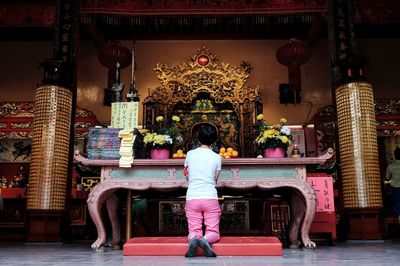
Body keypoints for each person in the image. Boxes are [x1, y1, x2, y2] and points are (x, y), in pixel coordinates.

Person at [183, 124, 221, 257]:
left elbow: (187, 175)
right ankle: (205, 240)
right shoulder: (217, 157)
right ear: (215, 140)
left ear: (198, 138)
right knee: (213, 232)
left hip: (192, 197)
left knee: (194, 230)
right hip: (210, 198)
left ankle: (194, 239)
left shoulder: (190, 154)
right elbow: (215, 178)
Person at [385, 147, 400, 225]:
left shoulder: (391, 166)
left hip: (396, 190)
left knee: (398, 208)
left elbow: (387, 179)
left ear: (394, 156)